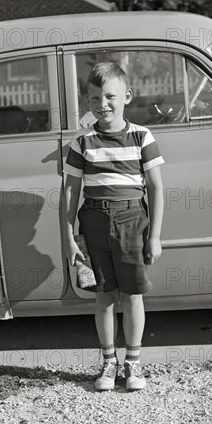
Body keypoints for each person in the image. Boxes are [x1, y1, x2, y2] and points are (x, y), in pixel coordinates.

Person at [64, 62, 164, 391]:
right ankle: (109, 363)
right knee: (104, 295)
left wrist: (155, 236)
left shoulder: (142, 137)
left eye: (110, 96)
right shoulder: (83, 143)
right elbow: (70, 192)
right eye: (94, 98)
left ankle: (133, 364)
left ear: (127, 96)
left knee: (133, 294)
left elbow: (155, 188)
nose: (102, 104)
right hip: (93, 220)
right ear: (87, 100)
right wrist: (69, 238)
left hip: (132, 219)